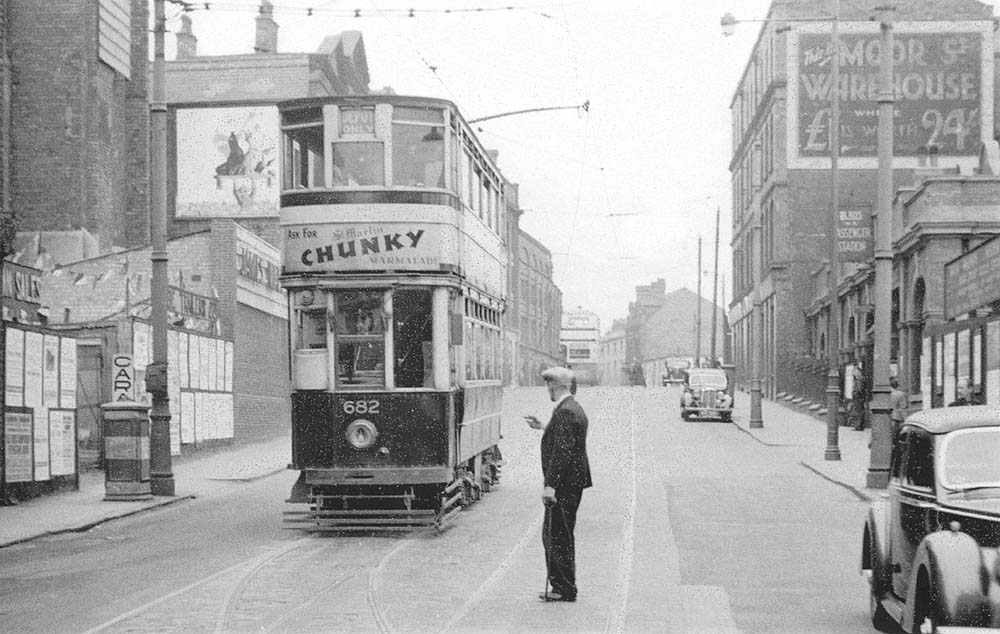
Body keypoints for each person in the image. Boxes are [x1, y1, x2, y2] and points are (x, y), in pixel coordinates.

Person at [524, 366, 592, 603]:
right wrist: (544, 427)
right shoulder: (572, 408)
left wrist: (550, 486)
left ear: (558, 386)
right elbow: (565, 438)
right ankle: (565, 585)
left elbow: (562, 452)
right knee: (560, 534)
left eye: (549, 385)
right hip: (572, 483)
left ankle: (563, 588)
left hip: (563, 485)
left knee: (556, 536)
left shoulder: (565, 412)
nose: (548, 389)